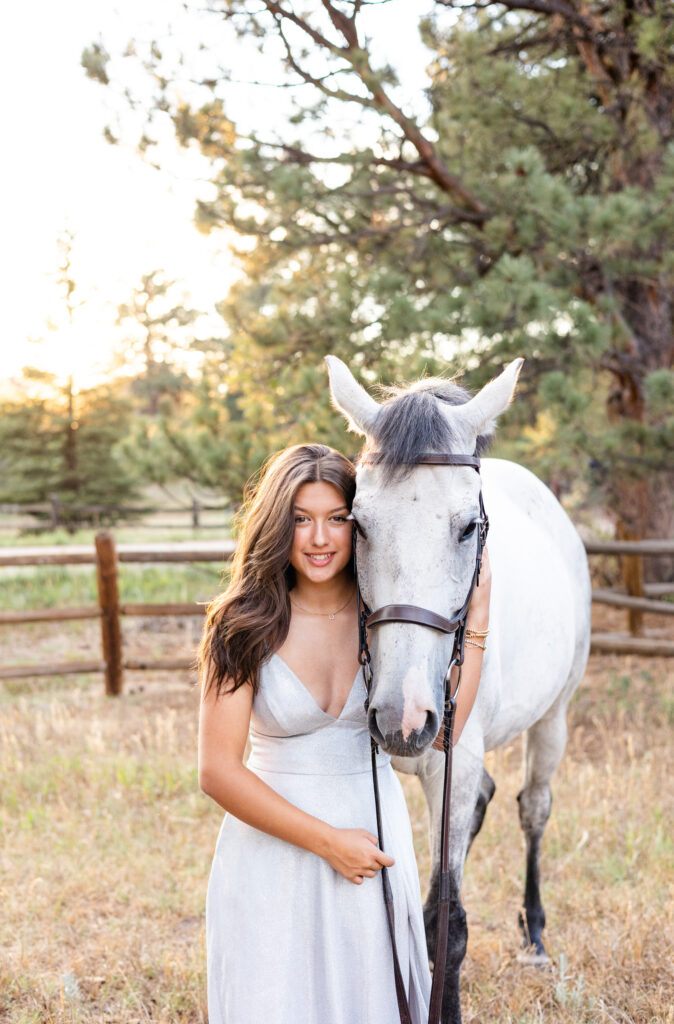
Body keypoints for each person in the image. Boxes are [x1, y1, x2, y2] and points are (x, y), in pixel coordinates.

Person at [197, 443, 491, 1024]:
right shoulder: (242, 623)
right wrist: (328, 842)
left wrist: (476, 623)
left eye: (337, 518)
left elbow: (443, 732)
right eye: (300, 519)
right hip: (273, 857)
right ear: (276, 525)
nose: (319, 538)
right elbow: (217, 771)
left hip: (373, 846)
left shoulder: (382, 619)